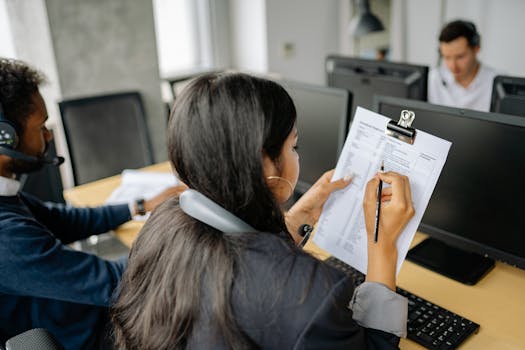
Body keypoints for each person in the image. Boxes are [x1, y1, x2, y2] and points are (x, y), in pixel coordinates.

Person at [111, 73, 415, 349]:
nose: (297, 156)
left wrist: (295, 219)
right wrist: (382, 248)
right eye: (293, 146)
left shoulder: (161, 224)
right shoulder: (309, 294)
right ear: (264, 163)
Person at [0, 58, 186, 350]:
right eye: (41, 127)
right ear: (5, 138)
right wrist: (181, 231)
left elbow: (64, 221)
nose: (48, 136)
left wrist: (139, 206)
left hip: (75, 311)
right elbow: (112, 282)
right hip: (83, 334)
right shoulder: (6, 236)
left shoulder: (5, 195)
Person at [428, 19, 499, 111]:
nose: (453, 66)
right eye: (447, 57)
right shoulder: (434, 78)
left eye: (460, 57)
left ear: (476, 49)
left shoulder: (497, 82)